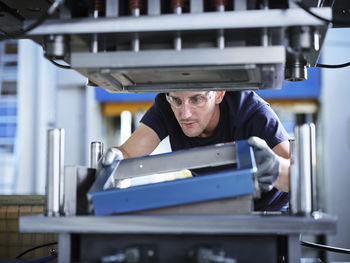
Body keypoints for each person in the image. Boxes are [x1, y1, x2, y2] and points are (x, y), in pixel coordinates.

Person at [101, 90, 291, 211]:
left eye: (197, 99)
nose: (185, 114)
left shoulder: (251, 111)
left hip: (269, 208)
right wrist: (116, 158)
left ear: (218, 94)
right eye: (176, 100)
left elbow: (294, 175)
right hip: (219, 206)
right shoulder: (168, 107)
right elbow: (128, 153)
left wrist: (274, 168)